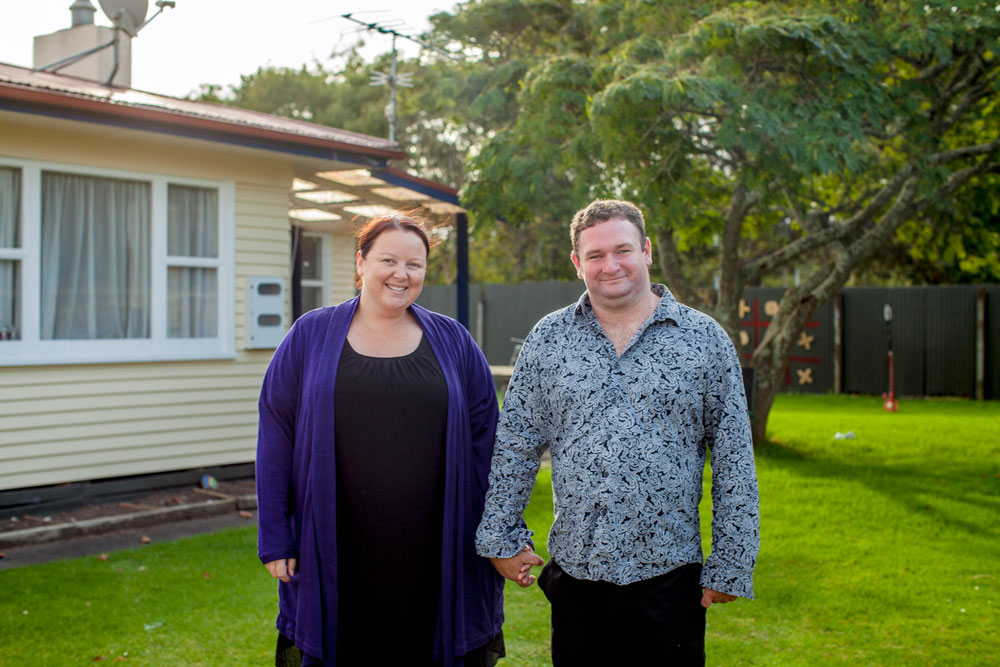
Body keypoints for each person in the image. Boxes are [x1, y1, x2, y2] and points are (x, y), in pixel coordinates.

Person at [475, 199, 760, 666]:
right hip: (577, 579)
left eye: (623, 250)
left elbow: (733, 459)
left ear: (646, 250)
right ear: (577, 262)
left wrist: (732, 560)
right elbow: (515, 447)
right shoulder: (549, 340)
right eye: (595, 255)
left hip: (671, 576)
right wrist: (500, 536)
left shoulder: (703, 340)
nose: (611, 265)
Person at [256, 213, 506, 666]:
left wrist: (500, 533)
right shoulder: (310, 335)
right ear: (361, 262)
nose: (401, 274)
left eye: (415, 264)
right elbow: (277, 432)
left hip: (436, 545)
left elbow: (487, 442)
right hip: (335, 543)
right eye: (388, 260)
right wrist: (276, 535)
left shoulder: (453, 340)